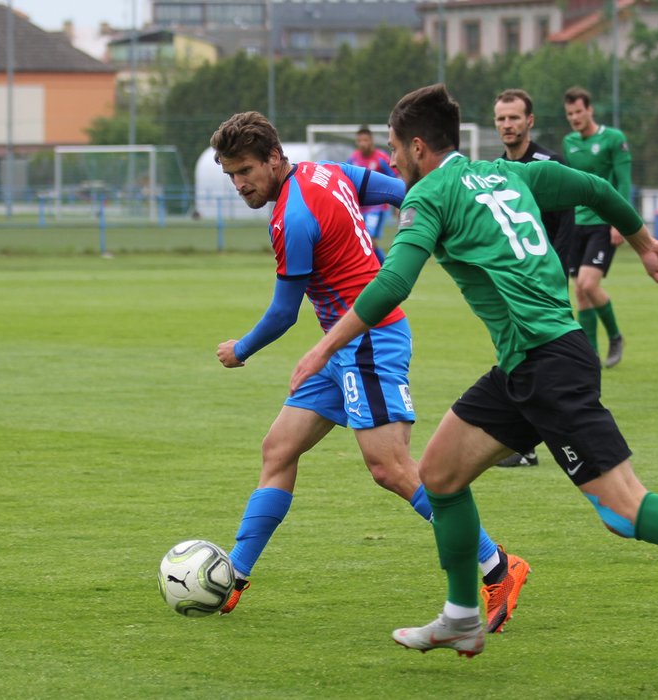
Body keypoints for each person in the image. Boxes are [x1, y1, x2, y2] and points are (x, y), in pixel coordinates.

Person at [290, 85, 658, 666]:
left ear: (418, 146)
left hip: (548, 365)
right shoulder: (507, 174)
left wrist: (322, 349)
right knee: (438, 475)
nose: (390, 162)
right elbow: (593, 188)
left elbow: (391, 282)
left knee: (623, 509)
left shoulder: (430, 197)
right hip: (526, 362)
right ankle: (463, 617)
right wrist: (644, 244)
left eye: (394, 149)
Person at [209, 111, 530, 633]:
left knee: (392, 468)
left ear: (273, 157)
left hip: (367, 341)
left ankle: (499, 566)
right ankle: (233, 576)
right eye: (230, 175)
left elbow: (283, 314)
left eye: (245, 170)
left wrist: (240, 349)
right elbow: (403, 192)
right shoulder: (328, 171)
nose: (240, 183)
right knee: (279, 449)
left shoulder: (290, 218)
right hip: (339, 345)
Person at [493, 88, 576, 469]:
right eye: (501, 119)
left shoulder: (548, 163)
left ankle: (534, 441)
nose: (507, 125)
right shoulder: (496, 170)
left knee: (539, 361)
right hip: (512, 283)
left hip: (544, 284)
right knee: (518, 358)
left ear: (530, 121)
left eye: (514, 117)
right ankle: (524, 442)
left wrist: (555, 275)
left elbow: (565, 225)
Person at [563, 86, 630, 368]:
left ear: (590, 110)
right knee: (578, 290)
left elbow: (624, 181)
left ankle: (615, 336)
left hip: (604, 222)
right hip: (577, 223)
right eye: (570, 114)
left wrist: (622, 221)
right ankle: (589, 356)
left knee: (588, 284)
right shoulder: (569, 143)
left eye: (579, 111)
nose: (575, 117)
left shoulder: (613, 139)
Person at [347, 126, 399, 264]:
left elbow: (396, 178)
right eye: (360, 140)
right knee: (362, 242)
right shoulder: (353, 159)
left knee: (370, 240)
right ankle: (375, 272)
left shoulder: (381, 157)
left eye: (365, 140)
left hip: (378, 207)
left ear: (371, 141)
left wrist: (397, 205)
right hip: (360, 208)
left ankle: (387, 272)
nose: (363, 143)